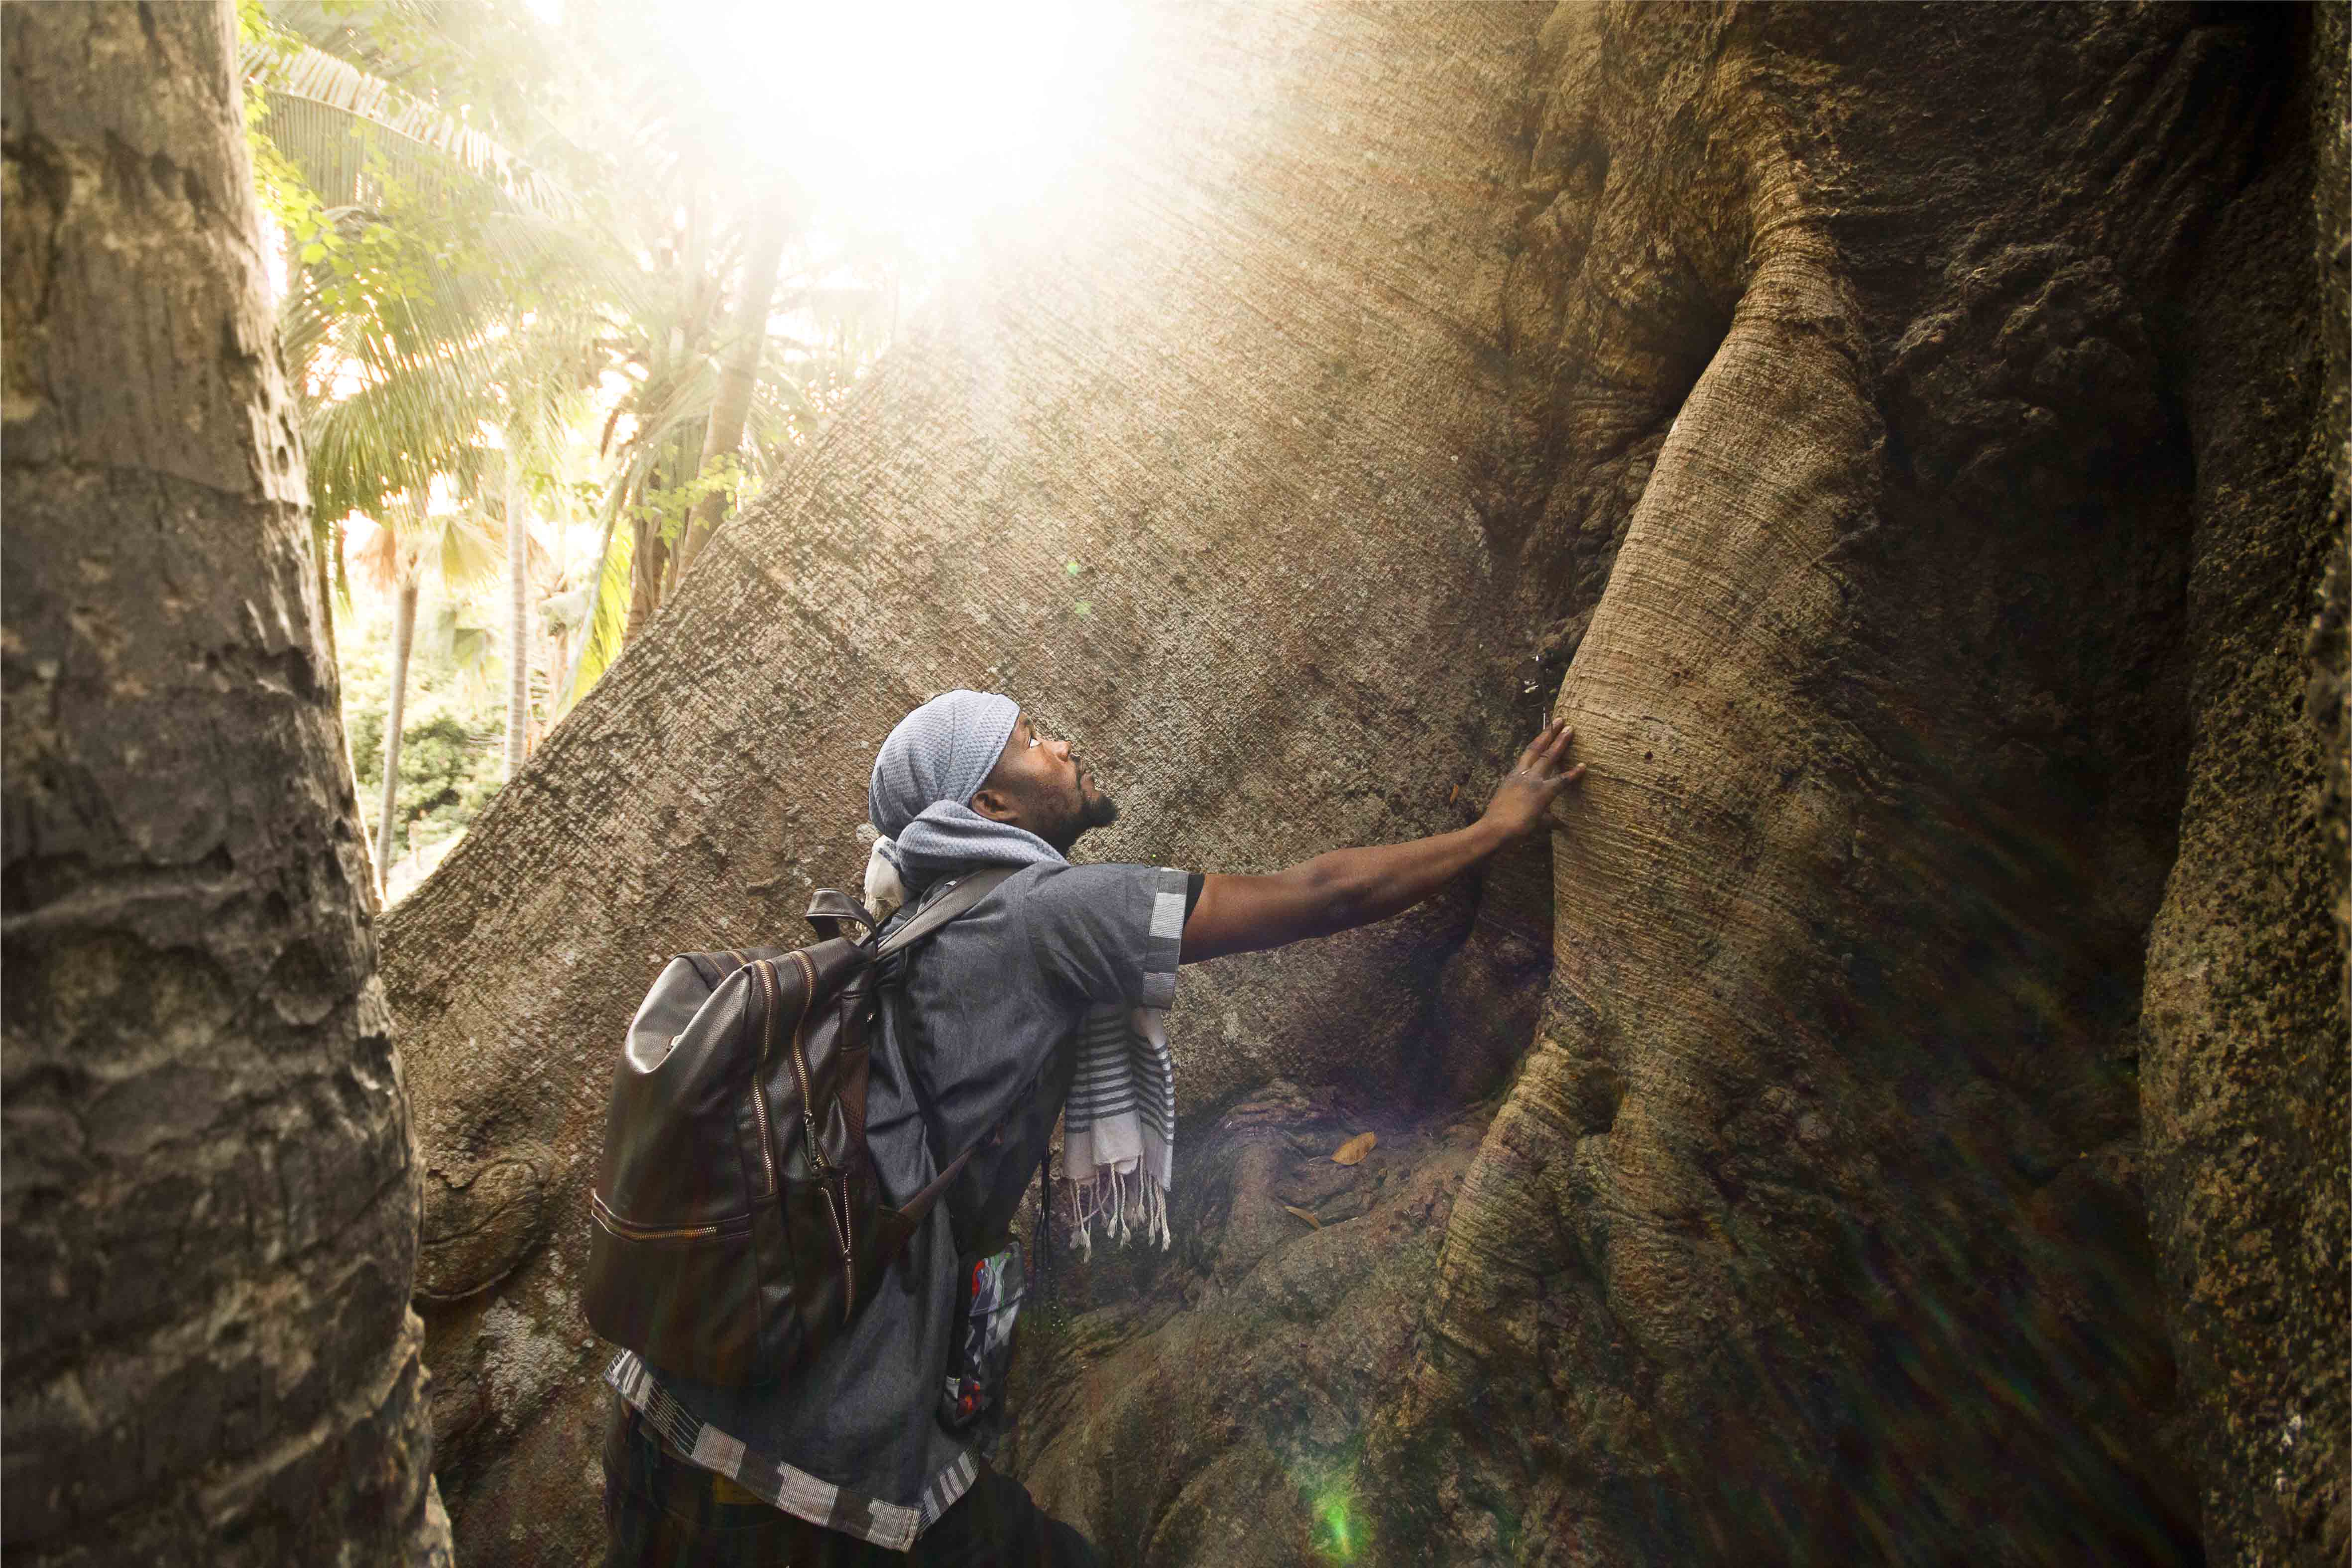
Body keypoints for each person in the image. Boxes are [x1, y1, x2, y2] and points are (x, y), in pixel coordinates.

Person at [600, 691, 1584, 1565]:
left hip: (665, 1420)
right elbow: (1312, 896)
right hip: (808, 1477)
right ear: (988, 805)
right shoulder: (1042, 916)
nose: (1062, 745)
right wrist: (1494, 831)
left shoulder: (912, 922)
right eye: (1029, 738)